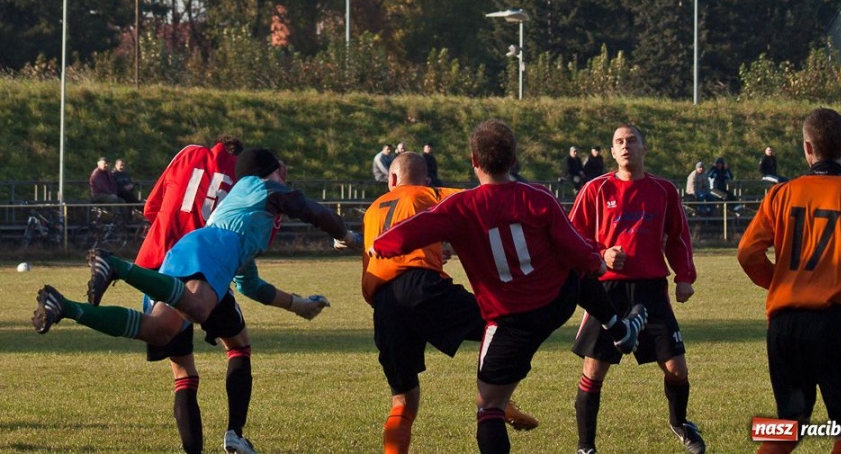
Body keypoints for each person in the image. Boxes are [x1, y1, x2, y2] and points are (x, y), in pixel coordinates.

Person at [33, 147, 360, 453]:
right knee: (203, 311)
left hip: (189, 250)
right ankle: (116, 265)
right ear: (267, 172)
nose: (286, 177)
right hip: (210, 246)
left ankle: (67, 307)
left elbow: (252, 285)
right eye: (281, 170)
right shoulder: (260, 188)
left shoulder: (247, 214)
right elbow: (310, 209)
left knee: (159, 330)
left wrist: (299, 305)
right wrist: (345, 236)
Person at [370, 119, 646, 454]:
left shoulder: (460, 207)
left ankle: (617, 330)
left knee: (489, 410)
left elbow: (417, 227)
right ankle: (618, 328)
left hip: (509, 320)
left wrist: (383, 245)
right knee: (574, 268)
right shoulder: (538, 196)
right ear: (514, 160)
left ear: (474, 160)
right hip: (554, 303)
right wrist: (596, 261)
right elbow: (572, 244)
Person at [362, 151, 539, 454]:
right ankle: (500, 401)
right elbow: (479, 197)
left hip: (384, 301)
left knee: (403, 401)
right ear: (426, 179)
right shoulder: (428, 193)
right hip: (422, 287)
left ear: (391, 180)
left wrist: (434, 249)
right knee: (503, 324)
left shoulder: (372, 210)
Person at [737, 107, 841, 454]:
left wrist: (781, 280)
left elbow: (747, 252)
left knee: (788, 426)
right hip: (835, 323)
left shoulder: (779, 194)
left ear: (807, 148)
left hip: (785, 323)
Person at [134, 136, 276, 454]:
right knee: (239, 347)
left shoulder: (189, 154)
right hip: (208, 271)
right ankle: (234, 434)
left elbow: (150, 209)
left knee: (184, 373)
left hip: (157, 270)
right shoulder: (247, 183)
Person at [569, 124, 705, 454]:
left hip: (650, 290)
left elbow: (678, 236)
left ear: (644, 149)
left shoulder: (663, 190)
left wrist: (684, 276)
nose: (625, 146)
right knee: (594, 369)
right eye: (619, 142)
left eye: (631, 141)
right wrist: (601, 255)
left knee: (676, 368)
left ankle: (679, 423)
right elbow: (571, 237)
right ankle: (586, 447)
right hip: (606, 291)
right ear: (612, 153)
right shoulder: (595, 189)